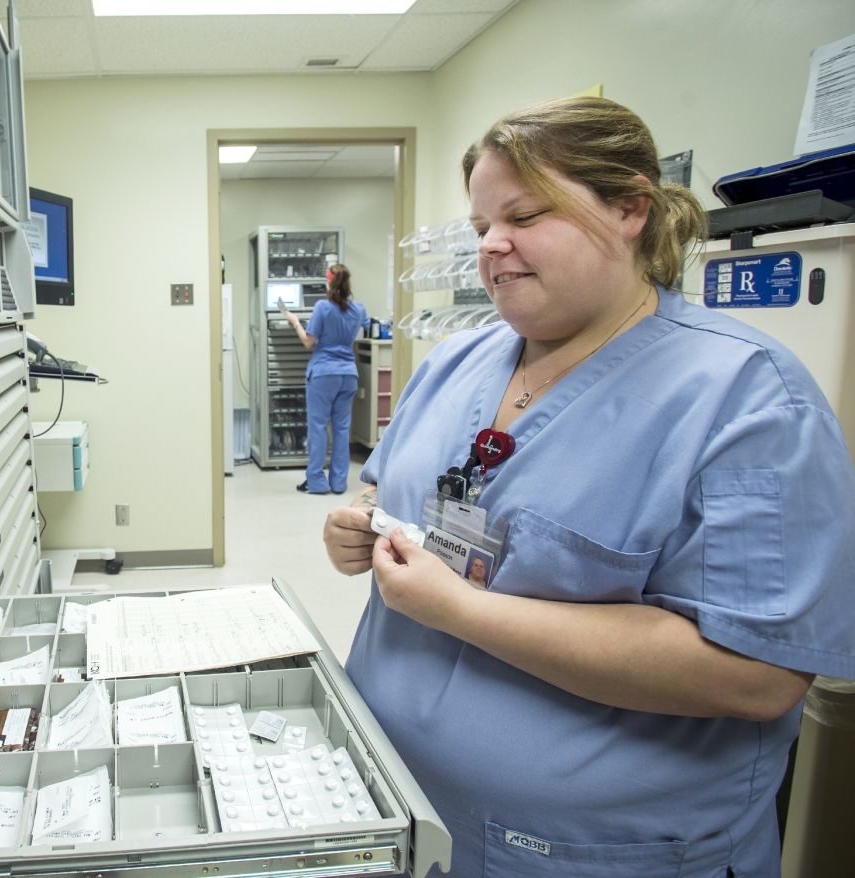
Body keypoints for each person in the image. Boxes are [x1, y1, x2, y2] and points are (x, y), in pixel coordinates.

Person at [322, 96, 855, 877]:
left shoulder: (747, 398)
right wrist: (357, 522)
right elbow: (387, 488)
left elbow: (756, 673)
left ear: (631, 208)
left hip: (594, 851)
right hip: (406, 810)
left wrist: (461, 609)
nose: (493, 246)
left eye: (526, 215)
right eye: (479, 229)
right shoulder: (456, 363)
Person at [285, 263, 370, 494]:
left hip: (323, 374)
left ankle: (316, 482)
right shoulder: (358, 309)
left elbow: (308, 342)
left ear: (328, 282)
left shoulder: (323, 307)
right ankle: (339, 483)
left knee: (319, 428)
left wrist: (295, 322)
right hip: (348, 375)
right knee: (342, 430)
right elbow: (368, 326)